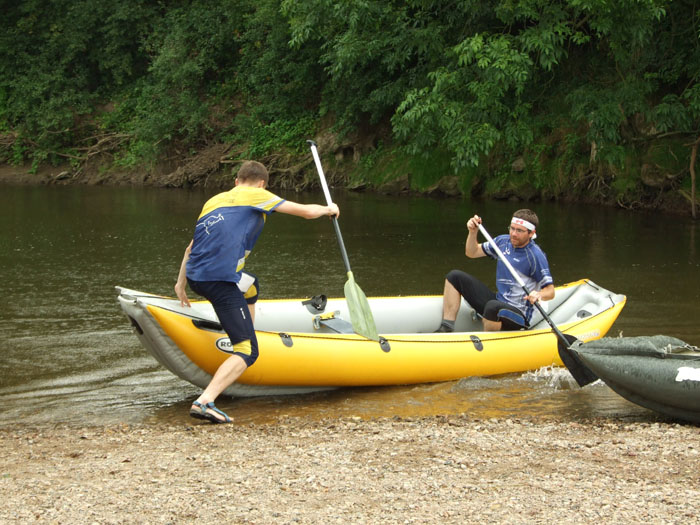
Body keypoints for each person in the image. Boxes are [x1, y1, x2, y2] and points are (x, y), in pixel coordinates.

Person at [174, 160, 339, 423]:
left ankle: (248, 329)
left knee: (251, 285)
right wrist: (328, 209)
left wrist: (180, 283)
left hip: (196, 277)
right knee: (248, 351)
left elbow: (190, 248)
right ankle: (205, 401)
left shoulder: (214, 200)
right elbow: (306, 212)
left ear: (236, 181)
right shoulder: (258, 195)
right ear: (262, 183)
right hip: (220, 281)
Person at [435, 209, 554, 333]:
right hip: (499, 300)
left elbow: (550, 291)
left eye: (519, 231)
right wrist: (473, 232)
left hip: (519, 314)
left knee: (493, 307)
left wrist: (539, 294)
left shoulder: (535, 256)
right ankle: (446, 328)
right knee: (454, 276)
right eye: (512, 228)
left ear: (531, 233)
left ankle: (489, 345)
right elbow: (472, 252)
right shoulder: (503, 242)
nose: (513, 234)